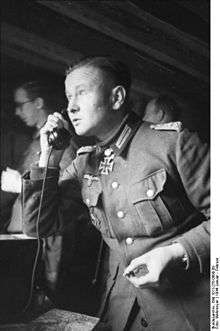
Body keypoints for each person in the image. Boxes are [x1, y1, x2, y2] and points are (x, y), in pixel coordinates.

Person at [22, 56, 210, 331]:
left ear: (117, 97)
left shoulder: (173, 144)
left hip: (187, 313)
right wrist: (49, 160)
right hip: (121, 312)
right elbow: (39, 225)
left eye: (81, 93)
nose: (70, 106)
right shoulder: (83, 162)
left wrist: (176, 251)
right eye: (68, 96)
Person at [1, 81, 76, 296]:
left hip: (43, 241)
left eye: (20, 104)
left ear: (38, 103)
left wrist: (20, 186)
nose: (17, 111)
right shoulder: (35, 144)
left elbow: (66, 197)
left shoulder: (60, 145)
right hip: (24, 236)